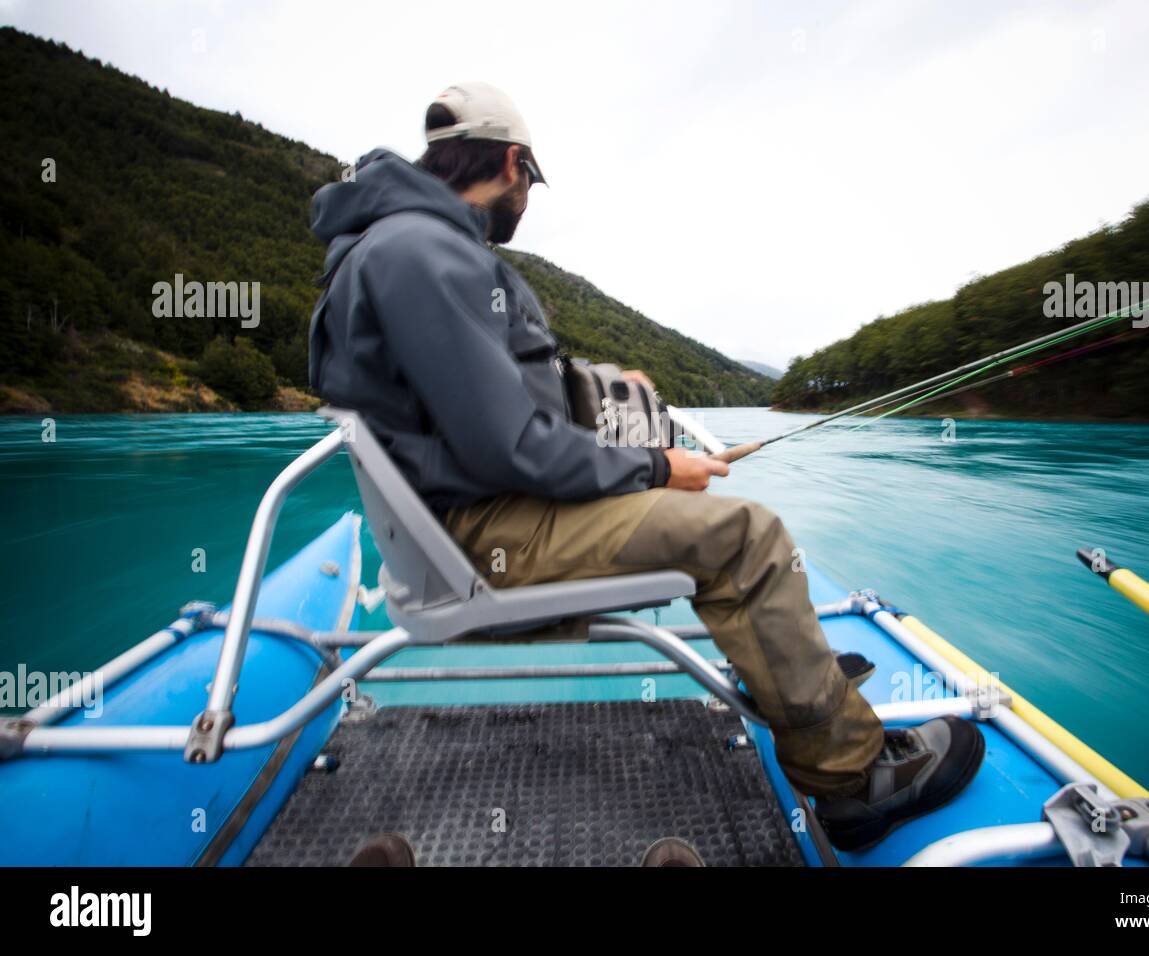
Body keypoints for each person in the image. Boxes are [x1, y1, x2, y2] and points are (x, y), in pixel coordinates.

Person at [307, 81, 984, 851]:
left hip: (450, 521)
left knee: (722, 526)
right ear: (511, 163)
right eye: (529, 183)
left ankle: (791, 682)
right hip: (484, 535)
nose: (526, 203)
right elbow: (513, 449)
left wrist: (595, 390)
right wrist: (659, 468)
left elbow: (472, 408)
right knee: (747, 537)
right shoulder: (423, 252)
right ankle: (854, 783)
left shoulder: (385, 246)